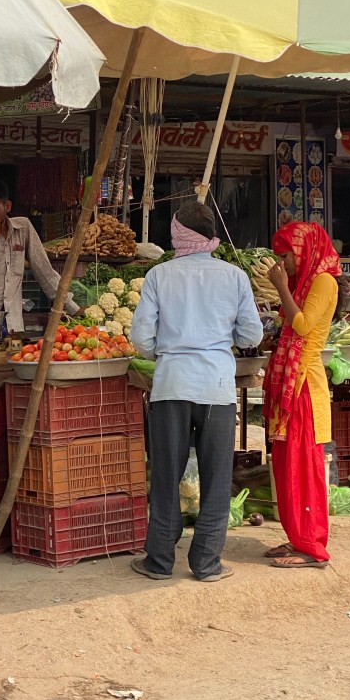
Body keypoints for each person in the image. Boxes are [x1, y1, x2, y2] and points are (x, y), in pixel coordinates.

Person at [130, 203, 263, 583]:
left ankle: (159, 561)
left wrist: (165, 353)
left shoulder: (159, 275)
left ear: (177, 234)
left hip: (171, 384)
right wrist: (223, 339)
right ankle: (206, 563)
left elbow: (141, 337)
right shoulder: (234, 276)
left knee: (166, 475)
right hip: (217, 387)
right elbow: (251, 335)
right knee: (217, 479)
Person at [264, 222, 344, 570]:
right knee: (286, 465)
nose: (283, 264)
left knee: (304, 467)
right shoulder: (305, 280)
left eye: (286, 256)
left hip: (305, 387)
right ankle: (298, 536)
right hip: (292, 384)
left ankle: (313, 547)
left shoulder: (324, 281)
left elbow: (304, 326)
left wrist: (281, 288)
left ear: (304, 251)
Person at [0, 178, 81, 332]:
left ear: (7, 206)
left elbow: (44, 271)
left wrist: (71, 307)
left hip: (11, 324)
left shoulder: (23, 227)